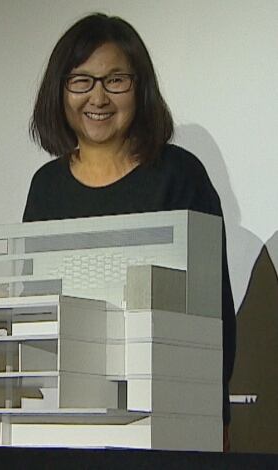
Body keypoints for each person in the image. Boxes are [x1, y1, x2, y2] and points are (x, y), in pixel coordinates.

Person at [24, 13, 236, 451]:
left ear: (140, 88)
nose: (97, 97)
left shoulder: (179, 176)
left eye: (115, 80)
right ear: (59, 91)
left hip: (166, 412)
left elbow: (214, 310)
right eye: (81, 81)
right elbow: (36, 305)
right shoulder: (45, 187)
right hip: (64, 416)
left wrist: (214, 415)